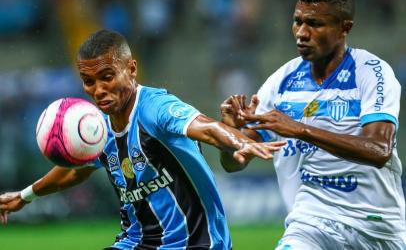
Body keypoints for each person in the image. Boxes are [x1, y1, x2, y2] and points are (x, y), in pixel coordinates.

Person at [0, 29, 286, 250]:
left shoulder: (155, 108)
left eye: (107, 77)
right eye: (89, 82)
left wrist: (241, 140)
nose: (98, 90)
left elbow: (206, 127)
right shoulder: (95, 127)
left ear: (131, 69)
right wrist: (25, 196)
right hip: (136, 241)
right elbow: (77, 170)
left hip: (196, 242)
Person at [220, 0, 406, 249]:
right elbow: (234, 162)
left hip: (376, 228)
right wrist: (231, 138)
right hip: (310, 224)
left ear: (345, 28)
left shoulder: (372, 72)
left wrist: (299, 128)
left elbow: (378, 150)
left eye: (315, 24)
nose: (302, 33)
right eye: (298, 21)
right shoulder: (282, 81)